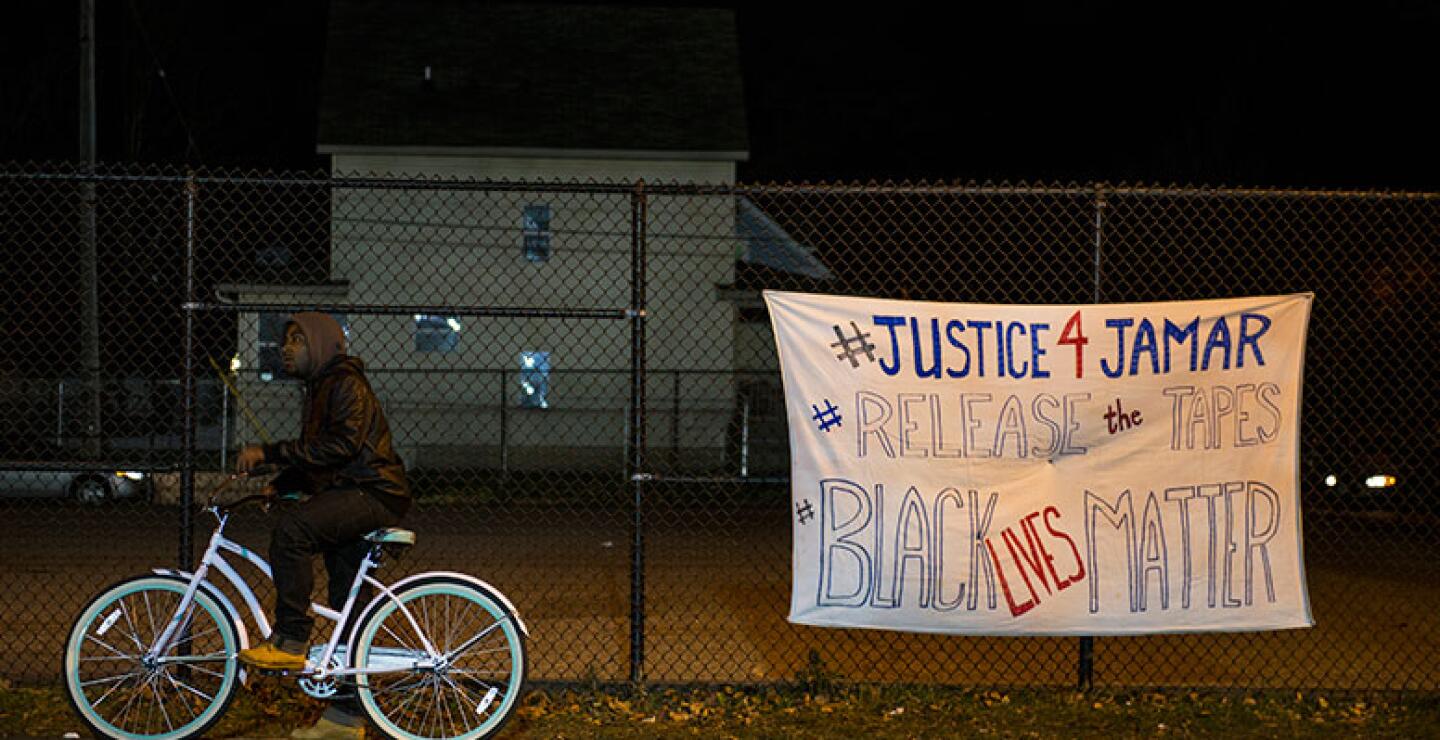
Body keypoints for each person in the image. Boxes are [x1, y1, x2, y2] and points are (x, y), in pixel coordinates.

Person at [235, 312, 411, 740]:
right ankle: (345, 719)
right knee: (350, 606)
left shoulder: (344, 383)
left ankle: (292, 638)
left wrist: (271, 452)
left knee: (292, 532)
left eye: (297, 340)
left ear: (323, 343)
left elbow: (342, 445)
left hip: (372, 493)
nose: (286, 348)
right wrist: (284, 482)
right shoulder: (323, 387)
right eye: (284, 342)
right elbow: (322, 456)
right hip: (355, 491)